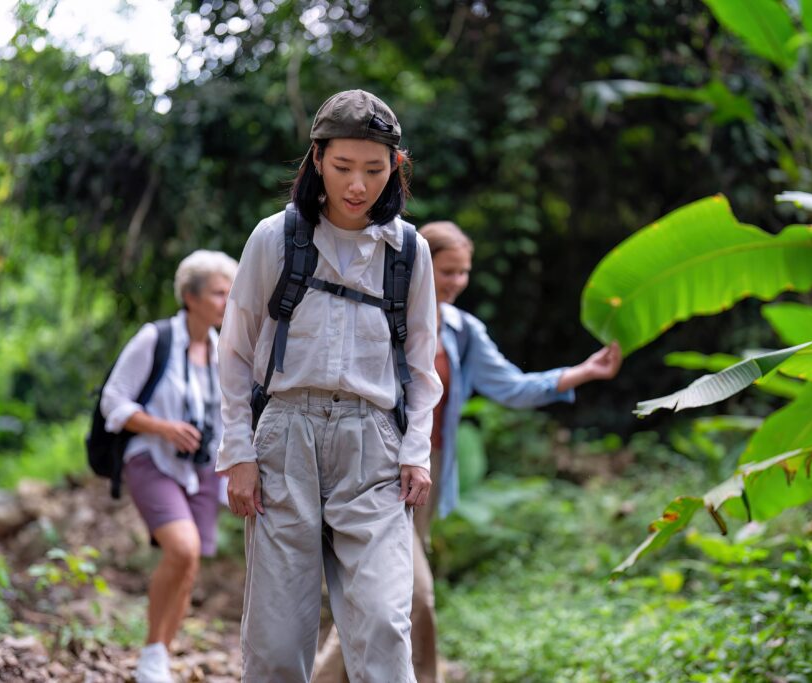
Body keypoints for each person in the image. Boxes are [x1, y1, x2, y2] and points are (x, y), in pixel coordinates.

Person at [314, 220, 623, 683]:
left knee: (381, 589)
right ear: (420, 265)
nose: (457, 282)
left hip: (425, 473)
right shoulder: (379, 312)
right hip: (370, 463)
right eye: (448, 271)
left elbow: (511, 387)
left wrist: (582, 373)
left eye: (464, 272)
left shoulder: (462, 330)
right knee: (413, 591)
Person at [217, 89, 442, 682]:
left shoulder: (409, 253)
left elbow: (422, 369)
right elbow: (236, 353)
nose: (357, 185)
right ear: (317, 159)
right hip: (284, 438)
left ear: (394, 167)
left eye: (373, 170)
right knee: (276, 637)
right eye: (343, 167)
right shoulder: (275, 238)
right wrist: (237, 451)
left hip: (374, 446)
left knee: (384, 625)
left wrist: (416, 452)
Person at [99, 249, 237, 683]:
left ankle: (158, 656)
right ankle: (152, 654)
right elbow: (113, 401)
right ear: (190, 296)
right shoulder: (154, 339)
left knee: (190, 561)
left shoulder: (224, 351)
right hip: (151, 458)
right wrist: (162, 427)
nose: (226, 302)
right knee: (182, 548)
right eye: (218, 293)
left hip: (200, 470)